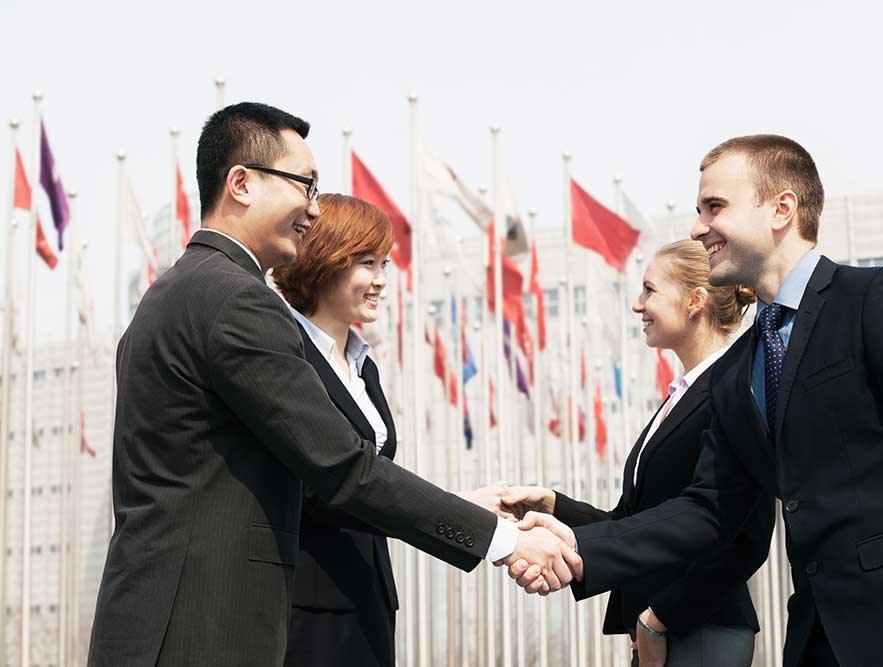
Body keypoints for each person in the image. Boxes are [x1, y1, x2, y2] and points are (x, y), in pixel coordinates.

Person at [87, 102, 579, 667]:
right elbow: (342, 468)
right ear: (241, 184)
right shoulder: (237, 299)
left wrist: (462, 507)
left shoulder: (170, 295)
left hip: (159, 623)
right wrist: (507, 540)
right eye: (305, 186)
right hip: (205, 627)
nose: (313, 209)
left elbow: (304, 484)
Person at [511, 135, 883, 667]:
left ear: (782, 209)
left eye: (714, 207)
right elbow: (708, 509)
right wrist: (579, 548)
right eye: (699, 210)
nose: (698, 228)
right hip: (815, 637)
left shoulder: (877, 300)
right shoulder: (736, 371)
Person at [500, 240, 774, 667]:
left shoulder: (733, 390)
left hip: (699, 629)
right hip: (665, 630)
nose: (637, 304)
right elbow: (638, 522)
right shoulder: (682, 396)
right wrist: (555, 506)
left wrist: (658, 620)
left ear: (694, 302)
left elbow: (742, 538)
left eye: (649, 290)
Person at [273, 194, 510, 666]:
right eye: (366, 263)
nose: (381, 279)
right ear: (324, 261)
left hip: (368, 597)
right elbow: (329, 484)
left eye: (384, 263)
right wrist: (457, 512)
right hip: (308, 609)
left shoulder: (363, 366)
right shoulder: (285, 354)